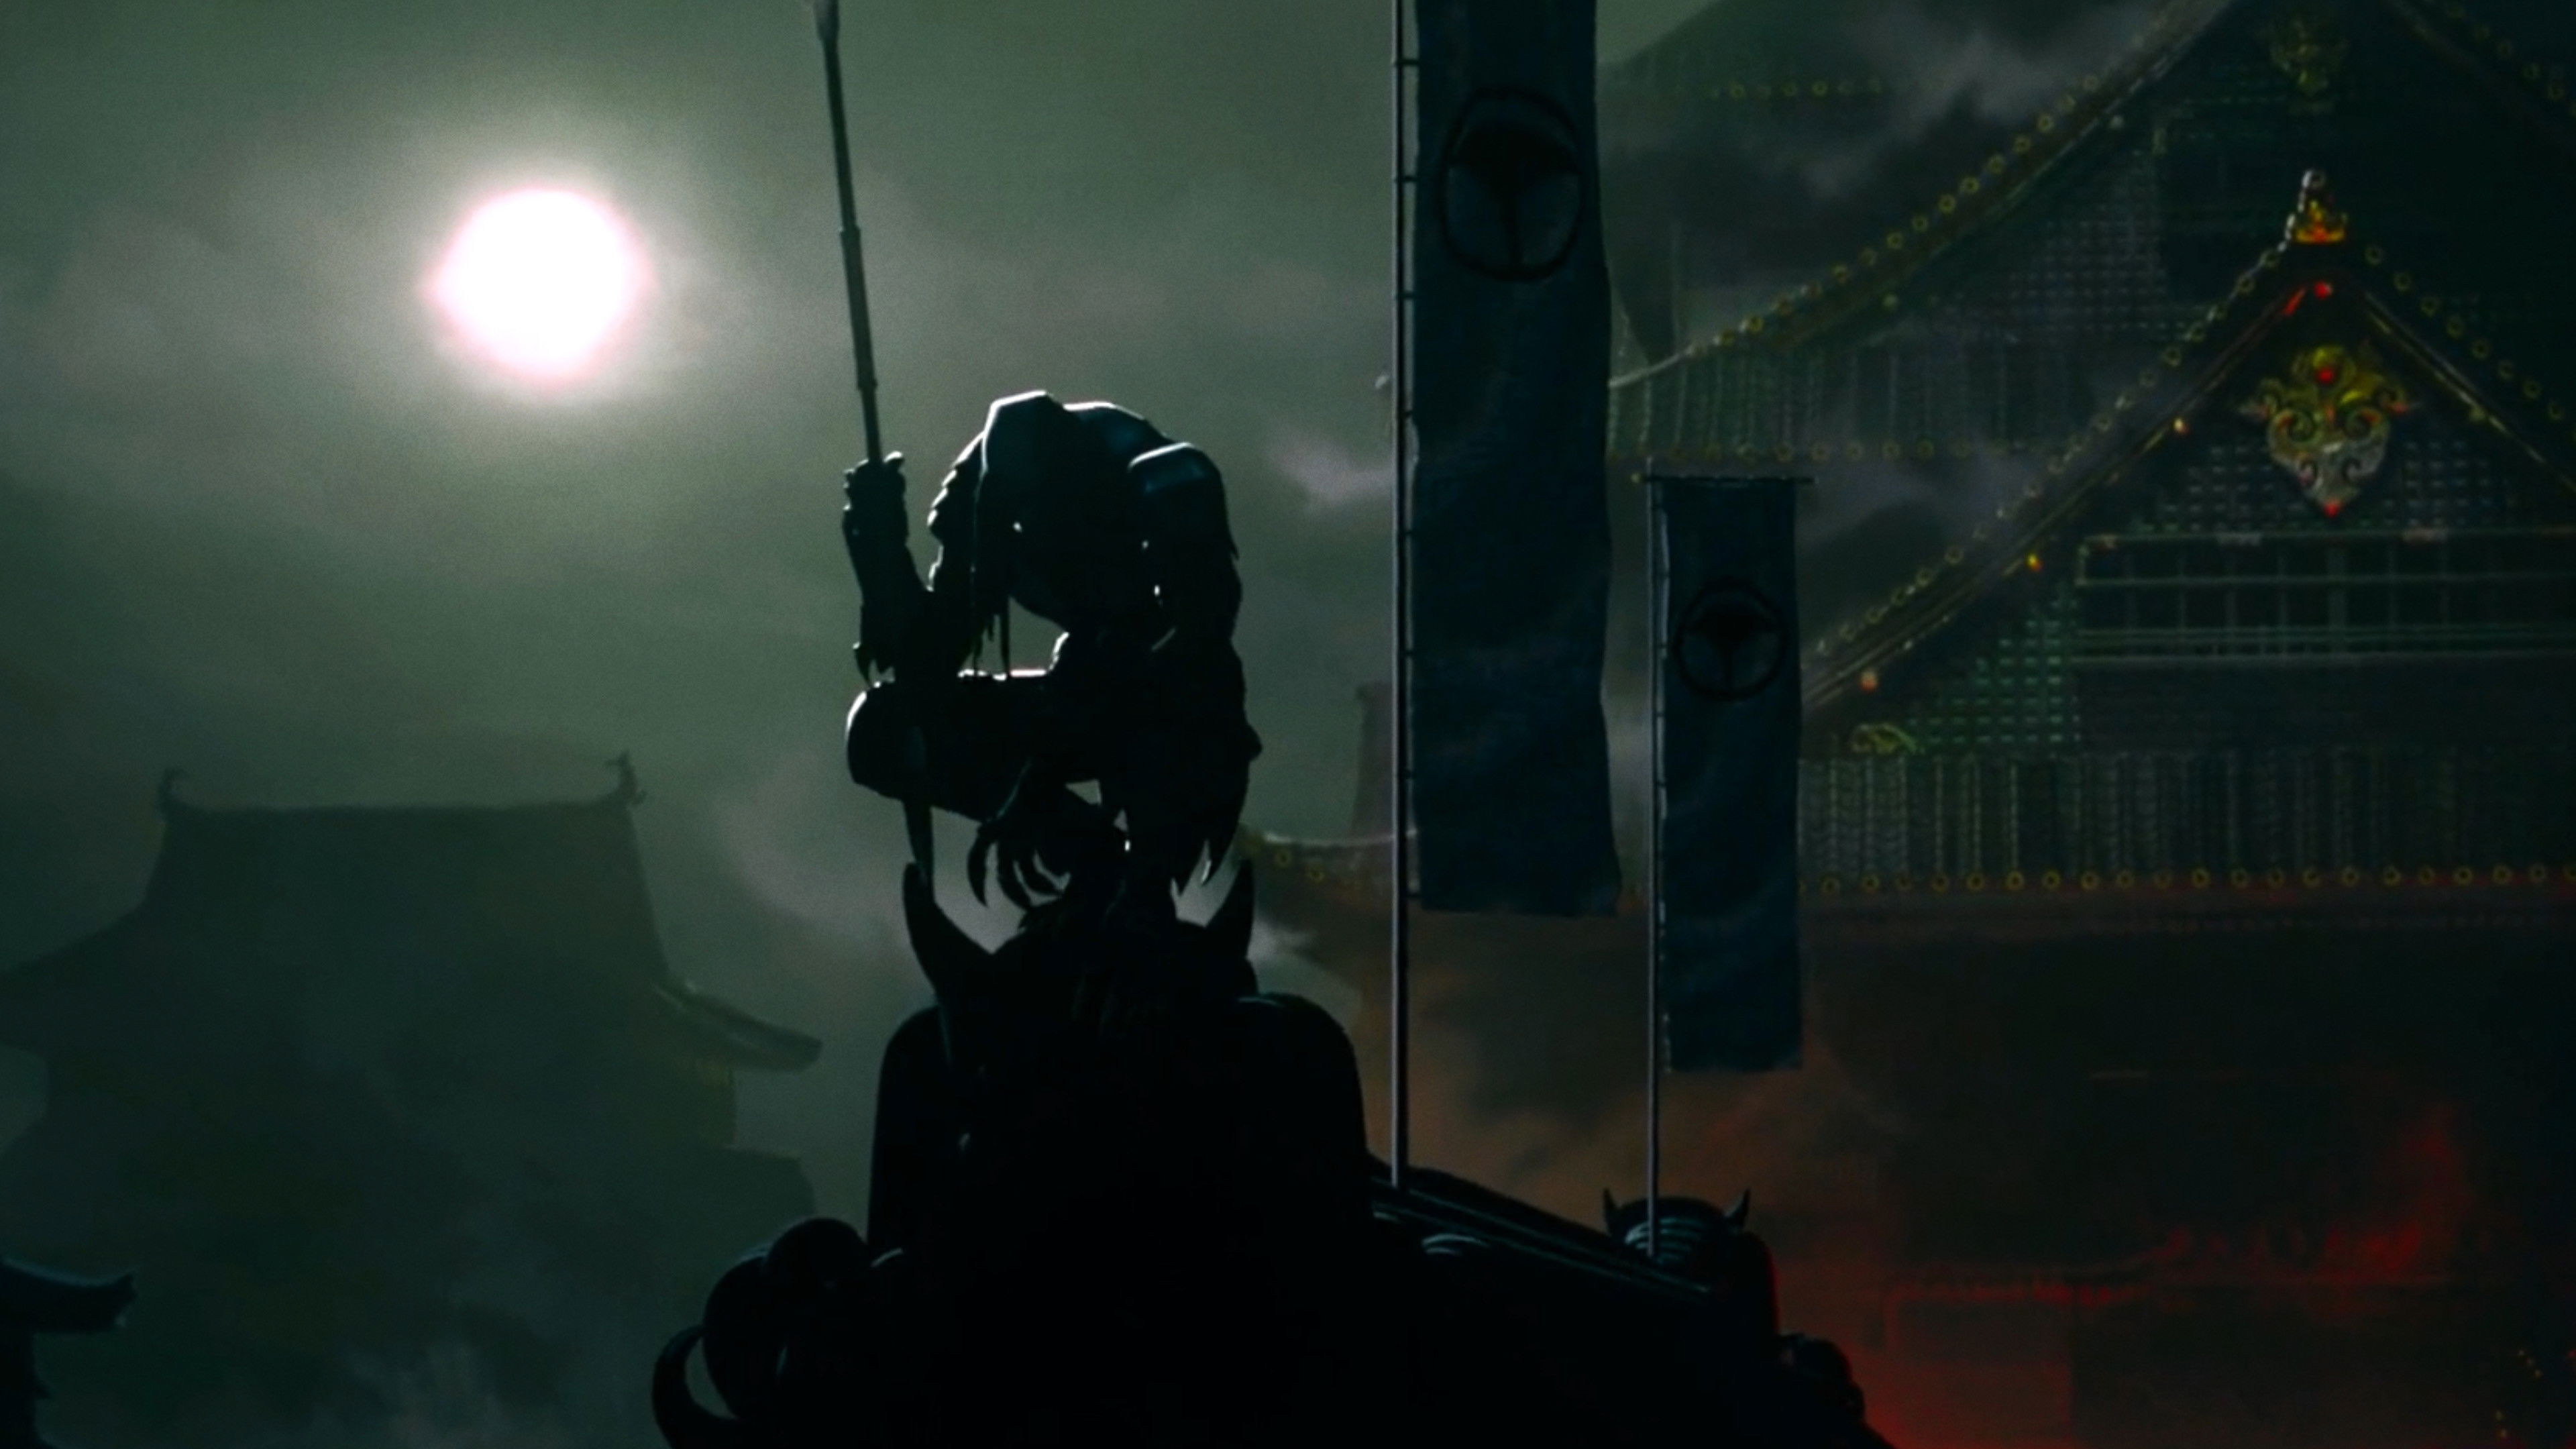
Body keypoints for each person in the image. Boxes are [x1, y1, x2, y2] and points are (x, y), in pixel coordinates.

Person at [840, 392, 1260, 916]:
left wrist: (1037, 776)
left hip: (1170, 706)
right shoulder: (983, 497)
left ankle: (1142, 891)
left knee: (1165, 718)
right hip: (1077, 698)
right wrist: (879, 547)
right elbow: (929, 668)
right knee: (886, 727)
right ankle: (1091, 861)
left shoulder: (1167, 478)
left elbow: (1192, 643)